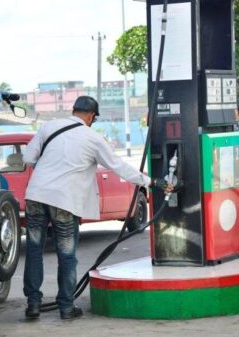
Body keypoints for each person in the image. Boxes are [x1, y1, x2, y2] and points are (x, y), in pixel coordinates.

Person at [22, 95, 169, 320]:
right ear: (91, 116)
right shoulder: (92, 138)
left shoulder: (48, 126)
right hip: (64, 200)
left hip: (36, 196)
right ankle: (66, 307)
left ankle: (33, 305)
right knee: (66, 255)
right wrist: (152, 182)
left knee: (34, 250)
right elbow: (119, 167)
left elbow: (28, 157)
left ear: (74, 110)